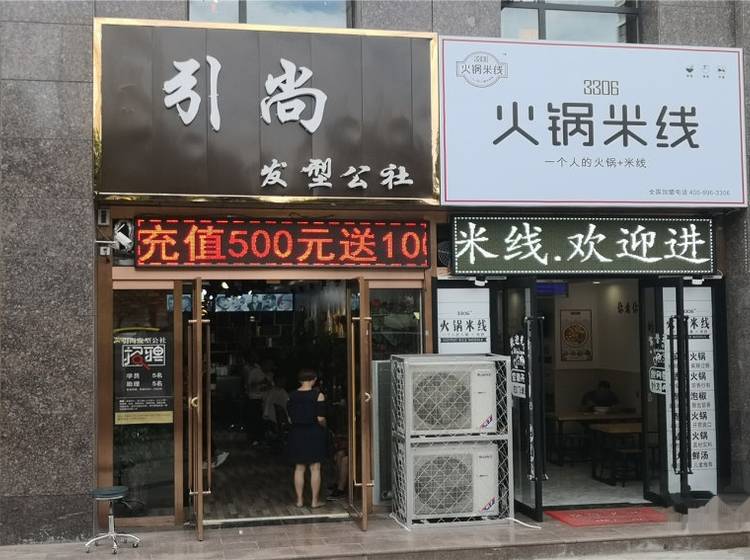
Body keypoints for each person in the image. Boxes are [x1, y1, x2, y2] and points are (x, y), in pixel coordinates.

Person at [287, 369, 327, 508]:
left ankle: (299, 500)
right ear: (313, 379)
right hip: (314, 432)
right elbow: (320, 418)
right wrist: (324, 426)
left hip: (297, 433)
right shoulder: (318, 395)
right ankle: (315, 501)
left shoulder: (291, 395)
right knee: (315, 468)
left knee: (299, 468)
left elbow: (290, 418)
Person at [242, 352, 271, 445]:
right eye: (268, 364)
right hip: (254, 398)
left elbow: (268, 385)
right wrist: (262, 383)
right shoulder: (254, 371)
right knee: (255, 419)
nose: (270, 366)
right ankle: (254, 439)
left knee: (260, 420)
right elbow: (250, 385)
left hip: (262, 398)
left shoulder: (262, 371)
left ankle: (260, 437)